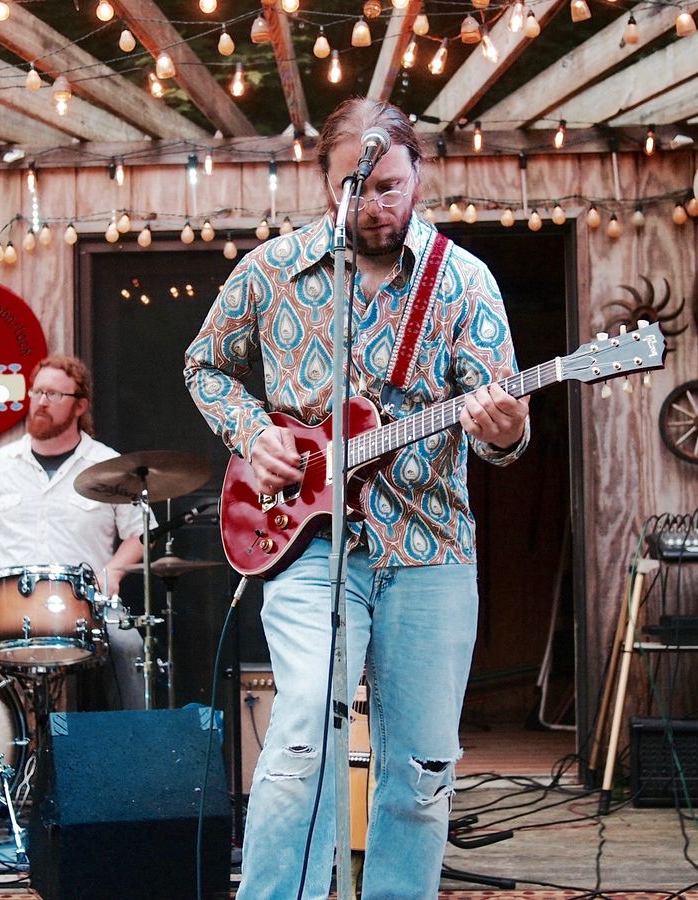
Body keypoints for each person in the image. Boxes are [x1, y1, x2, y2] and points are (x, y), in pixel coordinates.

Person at [183, 96, 531, 899]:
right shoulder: (272, 270)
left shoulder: (464, 283)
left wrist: (507, 427)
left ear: (419, 176)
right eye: (356, 187)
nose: (374, 205)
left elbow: (499, 435)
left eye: (389, 186)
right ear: (325, 183)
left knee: (421, 766)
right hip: (306, 544)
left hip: (430, 545)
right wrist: (252, 434)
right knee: (301, 739)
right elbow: (205, 365)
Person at [0, 354, 151, 709]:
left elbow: (139, 533)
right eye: (37, 392)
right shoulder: (1, 464)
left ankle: (133, 740)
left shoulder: (108, 465)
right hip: (3, 600)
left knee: (128, 646)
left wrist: (113, 572)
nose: (41, 402)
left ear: (80, 405)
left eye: (54, 394)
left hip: (85, 597)